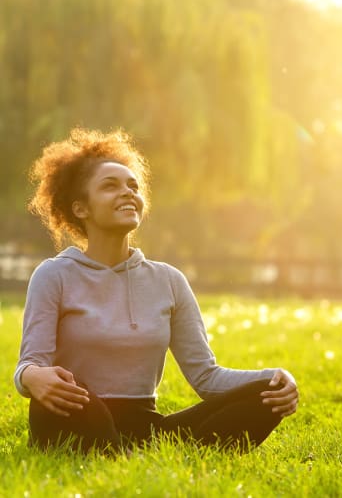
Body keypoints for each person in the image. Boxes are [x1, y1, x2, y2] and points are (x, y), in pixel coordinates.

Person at [14, 128, 299, 454]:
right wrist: (31, 378)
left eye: (133, 186)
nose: (127, 193)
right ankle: (114, 451)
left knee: (266, 393)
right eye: (110, 186)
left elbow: (206, 377)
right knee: (77, 396)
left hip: (145, 427)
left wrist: (278, 377)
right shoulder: (53, 275)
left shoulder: (168, 280)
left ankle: (121, 452)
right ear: (81, 209)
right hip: (74, 414)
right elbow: (30, 364)